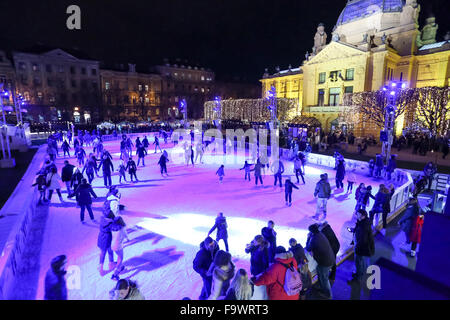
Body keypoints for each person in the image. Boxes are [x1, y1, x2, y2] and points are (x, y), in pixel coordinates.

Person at [305, 224, 335, 299]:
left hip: (325, 263)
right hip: (328, 260)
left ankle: (328, 295)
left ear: (311, 232)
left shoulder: (315, 239)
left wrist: (308, 238)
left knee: (324, 279)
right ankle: (323, 288)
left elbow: (308, 248)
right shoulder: (320, 234)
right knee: (320, 272)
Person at [348, 209, 375, 284]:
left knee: (359, 263)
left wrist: (357, 248)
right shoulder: (362, 223)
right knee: (361, 263)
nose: (356, 215)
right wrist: (353, 230)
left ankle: (358, 278)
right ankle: (359, 274)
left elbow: (363, 239)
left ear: (363, 216)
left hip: (361, 249)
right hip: (362, 248)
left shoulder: (364, 226)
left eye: (358, 214)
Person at [318, 221, 340, 286]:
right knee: (333, 261)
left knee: (332, 262)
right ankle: (332, 276)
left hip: (333, 248)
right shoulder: (327, 228)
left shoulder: (324, 232)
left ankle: (331, 277)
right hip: (336, 246)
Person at [111, 216, 130, 280]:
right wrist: (128, 239)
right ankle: (115, 274)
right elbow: (125, 235)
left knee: (119, 256)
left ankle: (120, 267)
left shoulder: (112, 228)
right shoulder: (122, 229)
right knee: (121, 258)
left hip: (112, 245)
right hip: (118, 246)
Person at [98, 211, 116, 275]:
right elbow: (114, 229)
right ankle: (111, 263)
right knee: (109, 250)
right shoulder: (110, 223)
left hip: (101, 237)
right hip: (108, 238)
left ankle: (101, 266)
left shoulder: (102, 219)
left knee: (103, 252)